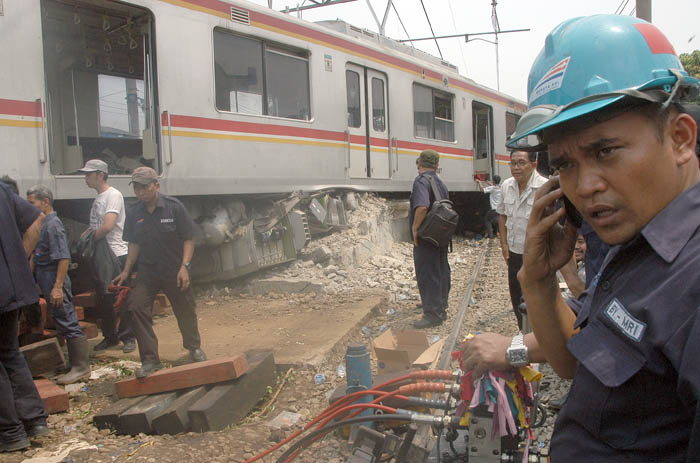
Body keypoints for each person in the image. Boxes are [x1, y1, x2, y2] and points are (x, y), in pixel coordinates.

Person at [506, 14, 700, 461]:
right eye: (565, 165)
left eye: (604, 151)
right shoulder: (636, 238)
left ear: (680, 139)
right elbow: (575, 364)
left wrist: (511, 350)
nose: (585, 185)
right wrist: (536, 280)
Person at [112, 167, 206, 377]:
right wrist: (126, 270)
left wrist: (185, 267)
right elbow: (134, 244)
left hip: (174, 270)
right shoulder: (135, 211)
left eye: (144, 186)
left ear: (156, 186)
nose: (140, 191)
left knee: (185, 307)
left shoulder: (174, 208)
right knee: (136, 307)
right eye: (136, 187)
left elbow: (188, 239)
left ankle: (193, 347)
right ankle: (150, 360)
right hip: (148, 271)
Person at [0, 182, 49, 452]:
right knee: (10, 353)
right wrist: (20, 258)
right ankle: (35, 421)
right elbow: (37, 219)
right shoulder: (3, 190)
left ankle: (10, 433)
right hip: (14, 288)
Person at [26, 186, 90, 385]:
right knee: (62, 321)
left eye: (32, 203)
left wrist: (57, 286)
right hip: (47, 277)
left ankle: (81, 367)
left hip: (54, 277)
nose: (30, 207)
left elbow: (63, 257)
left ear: (45, 202)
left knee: (67, 319)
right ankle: (74, 364)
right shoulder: (44, 223)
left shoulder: (53, 225)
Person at [78, 159, 135, 353]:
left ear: (100, 175)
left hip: (115, 254)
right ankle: (110, 337)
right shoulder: (98, 198)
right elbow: (97, 226)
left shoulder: (113, 195)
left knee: (121, 298)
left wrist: (88, 238)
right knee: (103, 298)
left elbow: (109, 225)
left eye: (88, 174)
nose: (85, 178)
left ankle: (128, 337)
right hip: (101, 256)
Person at [496, 151, 547, 330]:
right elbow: (502, 215)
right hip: (514, 253)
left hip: (537, 254)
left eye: (521, 163)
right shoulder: (506, 186)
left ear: (534, 163)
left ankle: (540, 337)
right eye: (513, 163)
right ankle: (523, 332)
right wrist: (503, 245)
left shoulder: (545, 187)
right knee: (517, 295)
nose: (516, 168)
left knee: (537, 297)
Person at [410, 150, 451, 328]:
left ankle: (432, 314)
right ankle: (440, 305)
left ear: (419, 163)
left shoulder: (421, 181)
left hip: (427, 235)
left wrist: (415, 228)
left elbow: (422, 207)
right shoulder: (439, 181)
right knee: (441, 268)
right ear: (436, 165)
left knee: (427, 272)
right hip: (440, 233)